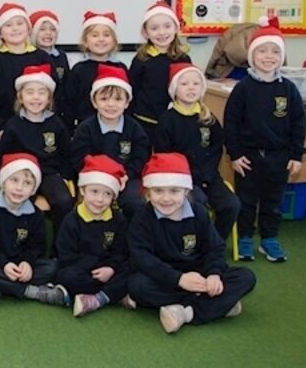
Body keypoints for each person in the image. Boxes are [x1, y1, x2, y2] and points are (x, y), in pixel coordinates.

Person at [128, 153, 256, 334]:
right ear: (148, 193)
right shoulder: (142, 217)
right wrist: (179, 279)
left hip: (199, 274)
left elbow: (214, 248)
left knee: (246, 277)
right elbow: (142, 258)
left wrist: (213, 274)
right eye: (158, 191)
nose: (166, 198)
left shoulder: (199, 213)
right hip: (165, 277)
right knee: (137, 285)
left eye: (174, 191)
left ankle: (186, 313)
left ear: (186, 191)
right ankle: (216, 306)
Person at [224, 17, 306, 262]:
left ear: (281, 57)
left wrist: (296, 155)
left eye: (275, 51)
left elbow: (298, 124)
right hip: (248, 158)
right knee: (246, 201)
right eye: (262, 51)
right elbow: (231, 123)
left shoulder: (289, 89)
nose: (269, 56)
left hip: (279, 157)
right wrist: (235, 154)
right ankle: (246, 238)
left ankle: (269, 239)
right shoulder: (243, 88)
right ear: (252, 55)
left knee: (273, 202)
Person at [155, 63, 238, 240]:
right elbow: (164, 155)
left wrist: (207, 175)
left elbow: (216, 148)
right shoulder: (167, 120)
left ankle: (214, 242)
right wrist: (188, 178)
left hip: (209, 177)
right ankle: (192, 244)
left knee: (231, 205)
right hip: (181, 181)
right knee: (197, 204)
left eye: (196, 83)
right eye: (184, 84)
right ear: (174, 89)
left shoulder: (208, 118)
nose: (191, 88)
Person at [0, 153, 67, 307]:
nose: (19, 188)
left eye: (27, 183)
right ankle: (32, 292)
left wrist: (27, 263)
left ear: (33, 189)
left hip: (21, 265)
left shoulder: (36, 214)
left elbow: (37, 246)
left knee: (51, 267)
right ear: (3, 183)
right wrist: (4, 264)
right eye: (14, 180)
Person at [0, 64, 74, 241]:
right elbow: (1, 157)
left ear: (49, 98)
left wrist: (64, 176)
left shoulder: (56, 124)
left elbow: (67, 154)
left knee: (63, 201)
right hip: (21, 176)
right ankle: (20, 245)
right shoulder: (13, 125)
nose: (36, 97)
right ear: (20, 97)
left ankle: (60, 248)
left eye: (41, 92)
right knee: (16, 200)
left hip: (49, 174)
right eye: (30, 92)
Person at [0, 3, 53, 184]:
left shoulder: (41, 57)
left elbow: (52, 94)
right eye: (8, 25)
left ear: (28, 28)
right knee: (6, 178)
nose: (15, 29)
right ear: (0, 32)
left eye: (19, 23)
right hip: (5, 130)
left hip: (38, 126)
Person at [56, 155, 132, 317]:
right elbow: (65, 255)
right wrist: (93, 268)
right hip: (84, 271)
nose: (99, 199)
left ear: (113, 197)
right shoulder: (71, 220)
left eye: (107, 194)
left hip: (108, 270)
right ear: (83, 190)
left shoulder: (118, 219)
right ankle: (113, 294)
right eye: (94, 191)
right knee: (65, 276)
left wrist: (110, 268)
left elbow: (121, 251)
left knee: (132, 270)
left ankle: (97, 299)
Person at [71, 65, 149, 221]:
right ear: (94, 102)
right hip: (94, 179)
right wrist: (100, 178)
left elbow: (140, 158)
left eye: (118, 99)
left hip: (126, 178)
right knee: (91, 204)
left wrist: (126, 175)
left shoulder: (135, 129)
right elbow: (79, 159)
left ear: (127, 102)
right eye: (104, 99)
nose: (111, 104)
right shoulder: (85, 129)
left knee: (135, 203)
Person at [128, 1, 191, 143]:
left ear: (176, 28)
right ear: (146, 32)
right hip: (144, 122)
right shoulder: (141, 59)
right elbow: (132, 90)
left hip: (174, 122)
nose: (162, 32)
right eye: (154, 28)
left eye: (167, 26)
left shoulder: (183, 59)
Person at [62, 11, 126, 131]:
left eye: (106, 35)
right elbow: (69, 103)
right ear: (85, 42)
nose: (101, 39)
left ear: (114, 41)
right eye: (95, 35)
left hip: (114, 127)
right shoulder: (78, 70)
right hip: (84, 128)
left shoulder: (120, 68)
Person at [29, 9, 69, 116]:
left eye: (52, 29)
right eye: (42, 29)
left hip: (57, 112)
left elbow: (66, 86)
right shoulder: (28, 56)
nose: (48, 33)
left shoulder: (61, 56)